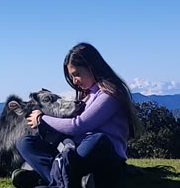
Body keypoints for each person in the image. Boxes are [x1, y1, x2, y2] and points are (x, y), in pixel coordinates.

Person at [13, 42, 137, 188]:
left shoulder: (110, 95)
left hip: (103, 157)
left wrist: (42, 118)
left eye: (76, 74)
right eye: (71, 76)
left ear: (92, 67)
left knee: (97, 140)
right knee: (26, 143)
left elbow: (79, 125)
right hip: (75, 154)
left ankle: (49, 180)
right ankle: (71, 181)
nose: (74, 81)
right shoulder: (87, 95)